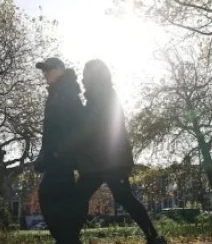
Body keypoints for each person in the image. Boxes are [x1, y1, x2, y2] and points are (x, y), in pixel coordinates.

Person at [66, 59, 167, 244]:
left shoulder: (102, 95)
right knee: (85, 197)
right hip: (99, 160)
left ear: (94, 75)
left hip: (108, 160)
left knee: (119, 197)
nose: (82, 78)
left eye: (85, 74)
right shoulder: (99, 95)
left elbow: (92, 126)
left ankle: (153, 237)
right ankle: (70, 239)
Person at [34, 57, 84, 244]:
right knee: (60, 201)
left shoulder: (67, 92)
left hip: (62, 158)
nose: (45, 73)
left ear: (61, 69)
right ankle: (68, 239)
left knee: (47, 195)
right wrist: (43, 155)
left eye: (49, 69)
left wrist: (60, 152)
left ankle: (67, 239)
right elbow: (50, 130)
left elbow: (79, 126)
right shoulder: (55, 93)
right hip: (55, 158)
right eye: (43, 70)